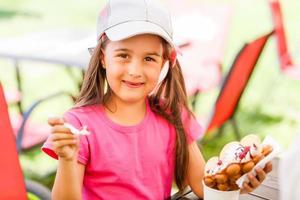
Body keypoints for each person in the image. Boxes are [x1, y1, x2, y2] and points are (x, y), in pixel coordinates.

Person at [42, 0, 272, 199]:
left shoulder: (174, 116)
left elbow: (205, 188)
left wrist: (238, 184)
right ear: (103, 58)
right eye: (123, 55)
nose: (135, 70)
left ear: (165, 62)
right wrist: (67, 159)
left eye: (149, 58)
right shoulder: (77, 125)